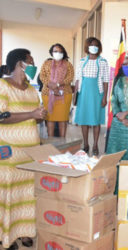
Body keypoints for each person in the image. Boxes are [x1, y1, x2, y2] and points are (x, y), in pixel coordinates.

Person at [0, 49, 47, 249]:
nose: (33, 65)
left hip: (30, 153)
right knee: (9, 194)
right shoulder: (2, 85)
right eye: (31, 61)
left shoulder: (31, 89)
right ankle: (7, 235)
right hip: (9, 152)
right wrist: (31, 114)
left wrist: (40, 114)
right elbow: (2, 116)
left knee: (28, 194)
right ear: (20, 64)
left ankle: (25, 232)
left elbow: (36, 114)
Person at [74, 37, 109, 156]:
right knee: (84, 120)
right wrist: (76, 95)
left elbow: (105, 80)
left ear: (99, 48)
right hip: (83, 92)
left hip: (97, 93)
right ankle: (86, 144)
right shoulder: (82, 61)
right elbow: (78, 79)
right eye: (91, 44)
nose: (94, 47)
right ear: (87, 47)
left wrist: (104, 97)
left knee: (95, 120)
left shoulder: (103, 61)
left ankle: (95, 145)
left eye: (96, 45)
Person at [40, 43, 74, 137]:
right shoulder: (46, 63)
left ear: (63, 53)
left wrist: (58, 84)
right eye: (55, 51)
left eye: (60, 51)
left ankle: (62, 141)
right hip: (47, 94)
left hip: (65, 94)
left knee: (62, 119)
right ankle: (51, 141)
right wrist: (50, 85)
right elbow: (42, 76)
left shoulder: (68, 64)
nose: (58, 53)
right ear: (51, 52)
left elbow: (70, 77)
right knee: (50, 118)